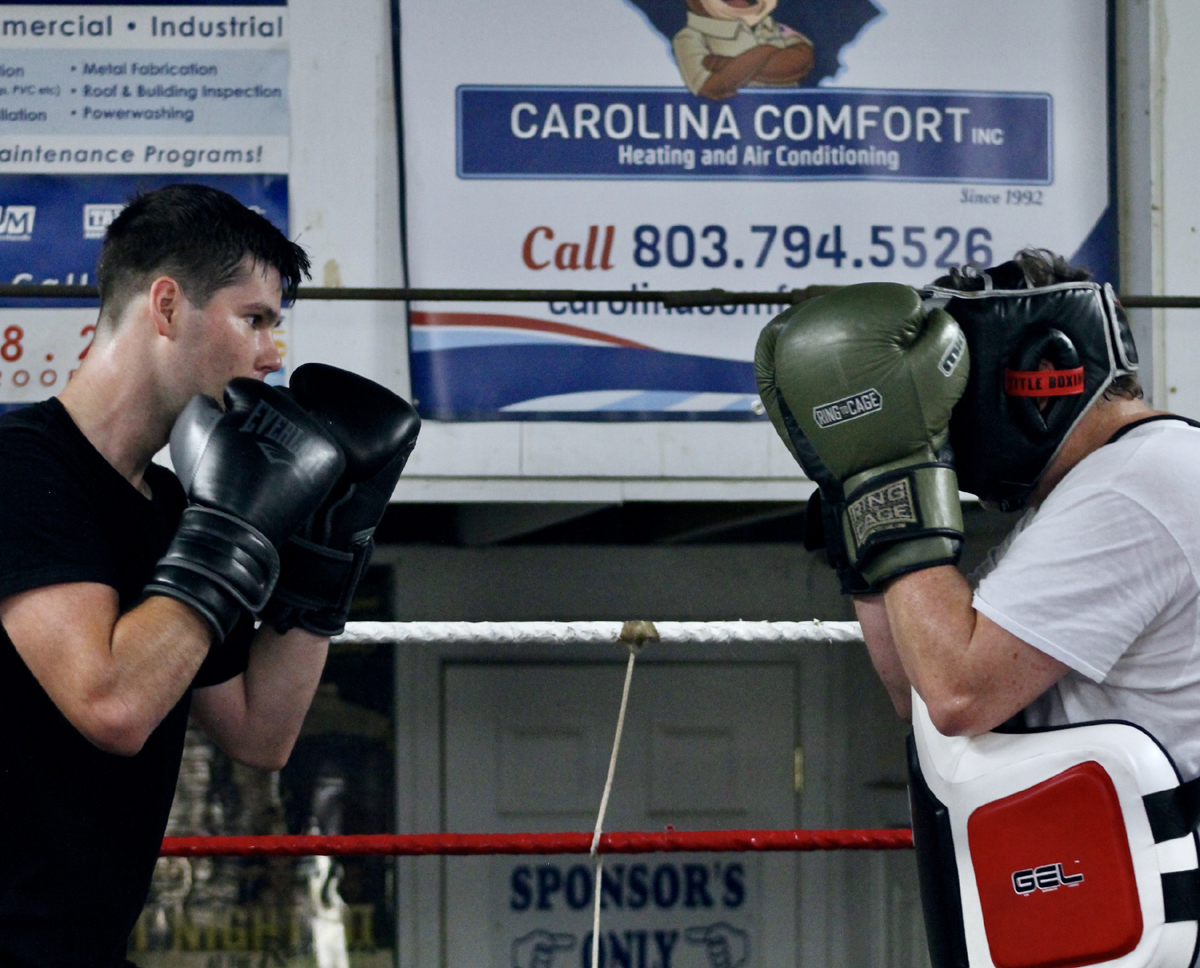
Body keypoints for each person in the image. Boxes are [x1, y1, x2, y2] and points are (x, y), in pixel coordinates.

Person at [0, 184, 419, 966]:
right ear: (165, 306)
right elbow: (113, 704)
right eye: (254, 318)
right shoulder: (23, 470)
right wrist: (232, 534)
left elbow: (263, 731)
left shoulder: (168, 507)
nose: (274, 352)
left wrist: (328, 548)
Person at [756, 248, 1200, 781]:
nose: (944, 429)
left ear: (1044, 372)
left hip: (1161, 850)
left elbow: (960, 694)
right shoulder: (1109, 483)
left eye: (955, 397)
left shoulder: (1135, 484)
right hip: (1097, 851)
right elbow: (915, 688)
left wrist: (892, 466)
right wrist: (854, 490)